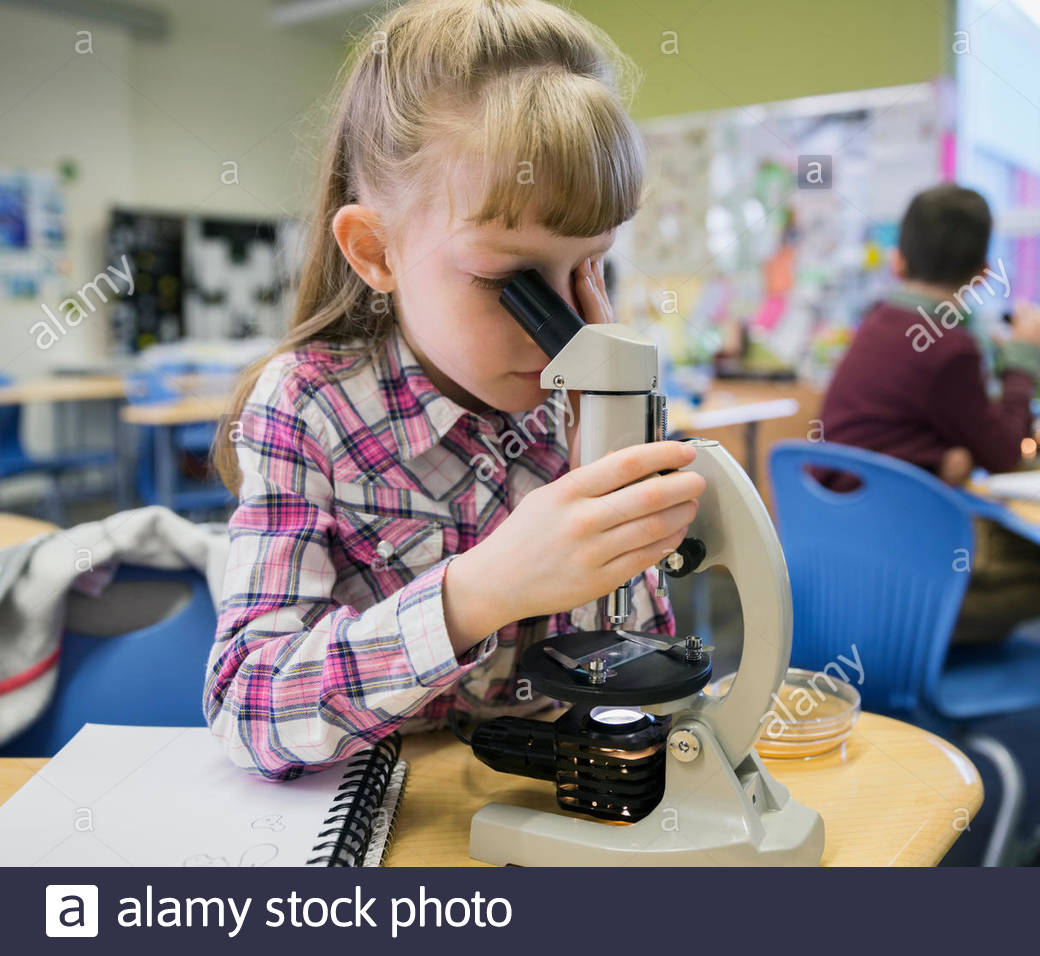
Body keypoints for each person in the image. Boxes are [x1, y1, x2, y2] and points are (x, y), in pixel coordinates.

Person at [204, 0, 705, 779]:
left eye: (590, 267)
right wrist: (476, 594)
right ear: (376, 251)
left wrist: (607, 451)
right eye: (509, 280)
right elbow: (246, 706)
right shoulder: (310, 405)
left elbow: (633, 676)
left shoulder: (568, 400)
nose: (568, 328)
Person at [819, 183, 1040, 644]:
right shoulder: (950, 348)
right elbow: (1005, 455)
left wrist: (932, 458)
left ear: (899, 259)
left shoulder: (876, 323)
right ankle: (925, 655)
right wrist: (1022, 361)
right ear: (981, 275)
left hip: (839, 558)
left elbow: (878, 431)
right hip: (896, 567)